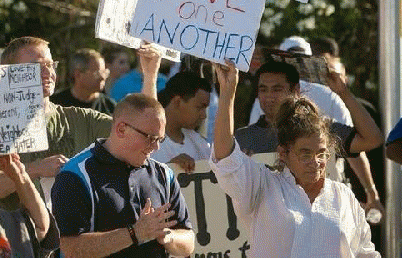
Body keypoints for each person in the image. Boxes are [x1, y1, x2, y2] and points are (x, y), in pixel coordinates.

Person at [211, 60, 380, 257]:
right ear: (284, 154)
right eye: (305, 154)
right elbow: (225, 159)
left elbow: (365, 252)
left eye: (322, 154)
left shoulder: (342, 197)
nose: (316, 162)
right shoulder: (262, 187)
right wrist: (228, 90)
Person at [0, 37, 160, 208]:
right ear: (10, 74)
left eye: (50, 65)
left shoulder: (81, 120)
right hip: (11, 232)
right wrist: (34, 169)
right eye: (36, 67)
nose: (47, 73)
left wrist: (150, 74)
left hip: (71, 232)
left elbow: (143, 133)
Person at [51, 93, 195, 258]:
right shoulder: (76, 175)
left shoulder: (163, 174)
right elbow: (70, 249)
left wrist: (168, 236)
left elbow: (189, 241)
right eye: (150, 138)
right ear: (121, 129)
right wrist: (134, 233)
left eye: (160, 140)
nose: (156, 147)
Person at [236, 61, 384, 214]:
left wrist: (343, 93)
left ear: (296, 91)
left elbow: (372, 139)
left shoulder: (321, 131)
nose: (269, 97)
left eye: (277, 89)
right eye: (263, 90)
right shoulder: (242, 139)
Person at [151, 72, 211, 173]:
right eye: (200, 107)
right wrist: (169, 169)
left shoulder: (200, 144)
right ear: (177, 101)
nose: (203, 115)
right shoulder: (146, 142)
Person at [51, 48, 116, 115]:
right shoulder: (56, 105)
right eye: (97, 73)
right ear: (78, 74)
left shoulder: (110, 107)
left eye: (104, 72)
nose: (102, 77)